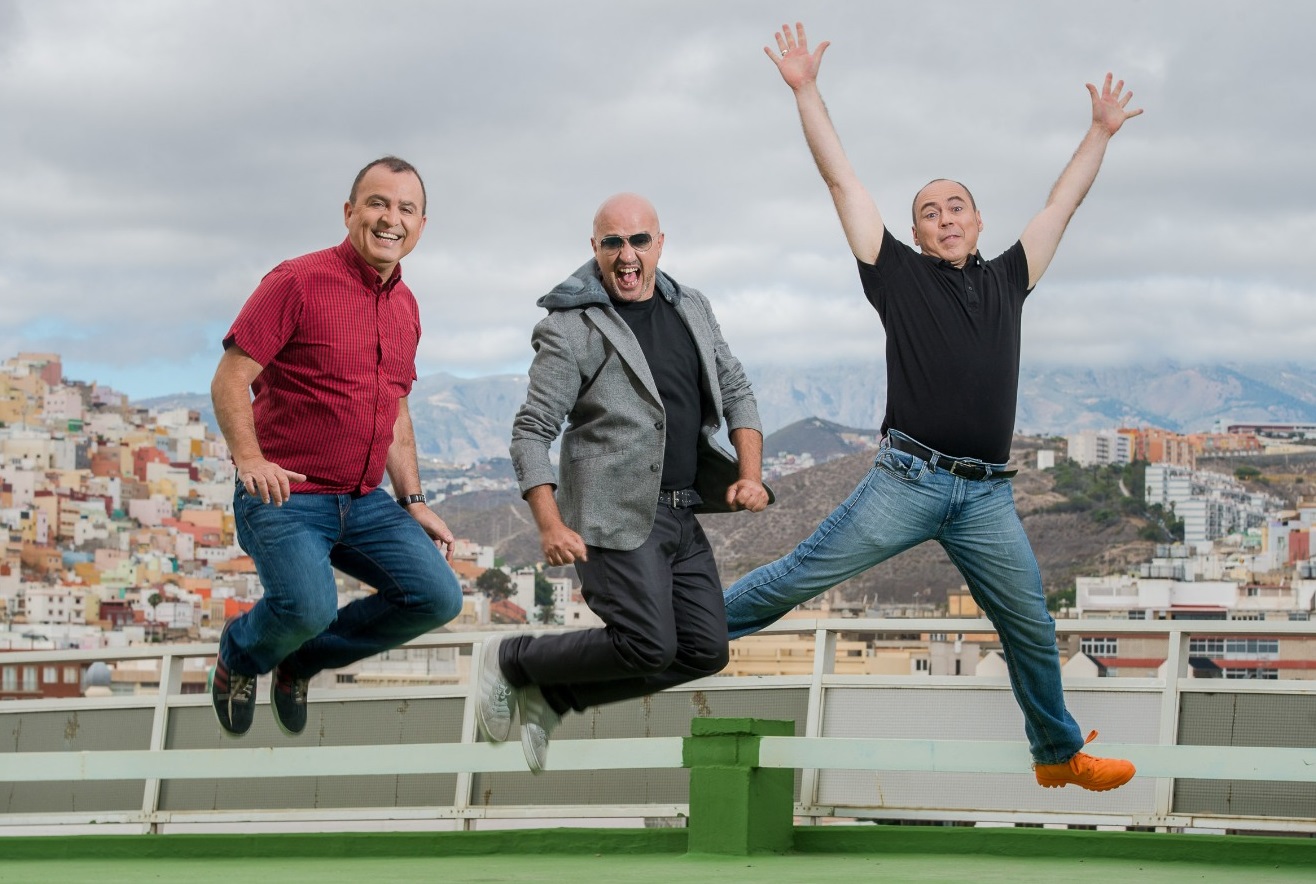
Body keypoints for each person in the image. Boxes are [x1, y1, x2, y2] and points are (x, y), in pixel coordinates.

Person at [723, 23, 1144, 792]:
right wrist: (806, 90)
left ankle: (1057, 754)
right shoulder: (895, 276)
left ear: (978, 222)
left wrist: (1099, 132)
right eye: (929, 211)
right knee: (796, 577)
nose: (945, 217)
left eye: (958, 207)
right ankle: (676, 633)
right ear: (915, 233)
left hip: (985, 494)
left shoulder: (1011, 277)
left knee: (1031, 626)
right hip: (908, 480)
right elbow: (844, 184)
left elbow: (1063, 202)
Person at [477, 193, 771, 772]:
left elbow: (736, 390)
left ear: (660, 244)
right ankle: (510, 657)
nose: (626, 255)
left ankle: (556, 695)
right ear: (595, 249)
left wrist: (751, 474)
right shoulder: (571, 328)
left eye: (639, 240)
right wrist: (550, 522)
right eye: (612, 242)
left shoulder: (693, 307)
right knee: (648, 644)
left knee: (705, 651)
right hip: (614, 516)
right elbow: (531, 431)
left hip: (683, 513)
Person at [209, 156, 463, 738]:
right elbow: (230, 379)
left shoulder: (407, 306)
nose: (389, 219)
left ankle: (300, 661)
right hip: (288, 497)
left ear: (422, 226)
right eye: (377, 203)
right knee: (308, 607)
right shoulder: (295, 282)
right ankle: (241, 654)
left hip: (364, 500)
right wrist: (250, 461)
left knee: (436, 597)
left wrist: (414, 498)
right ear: (350, 213)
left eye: (405, 209)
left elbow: (394, 405)